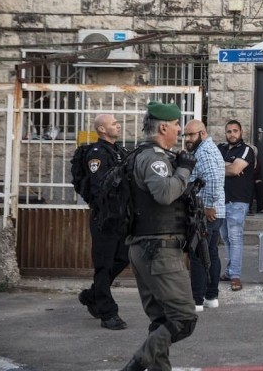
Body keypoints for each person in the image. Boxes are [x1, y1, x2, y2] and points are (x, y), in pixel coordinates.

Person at [118, 102, 198, 371]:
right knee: (184, 319)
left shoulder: (140, 155)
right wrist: (185, 169)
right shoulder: (154, 158)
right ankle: (138, 362)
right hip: (159, 251)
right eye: (176, 125)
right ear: (163, 128)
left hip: (146, 248)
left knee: (161, 320)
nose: (179, 130)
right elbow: (164, 194)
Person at [77, 113, 130, 331]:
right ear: (101, 129)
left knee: (124, 257)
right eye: (113, 124)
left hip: (121, 218)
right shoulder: (96, 154)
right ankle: (108, 313)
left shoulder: (119, 151)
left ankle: (92, 295)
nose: (118, 126)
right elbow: (100, 187)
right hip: (104, 218)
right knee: (104, 265)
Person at [183, 119, 225, 312]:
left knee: (198, 255)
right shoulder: (206, 149)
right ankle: (211, 297)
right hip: (214, 212)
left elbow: (213, 180)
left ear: (203, 133)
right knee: (211, 253)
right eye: (186, 135)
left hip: (206, 213)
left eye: (192, 134)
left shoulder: (204, 151)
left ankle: (197, 300)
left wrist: (208, 207)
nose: (188, 138)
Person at [217, 119, 255, 292]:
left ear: (241, 132)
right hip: (221, 201)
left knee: (235, 238)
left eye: (235, 131)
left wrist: (226, 167)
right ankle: (229, 271)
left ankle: (235, 276)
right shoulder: (220, 148)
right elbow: (212, 166)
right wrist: (229, 166)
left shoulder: (246, 150)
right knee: (226, 238)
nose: (232, 134)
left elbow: (234, 170)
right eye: (229, 131)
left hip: (238, 201)